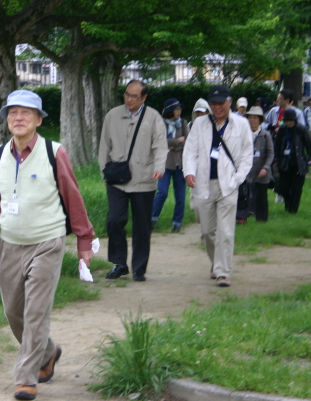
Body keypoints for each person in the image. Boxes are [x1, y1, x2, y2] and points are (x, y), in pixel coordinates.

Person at [0, 90, 95, 401]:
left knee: (36, 313)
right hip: (9, 245)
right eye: (13, 112)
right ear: (6, 119)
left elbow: (73, 197)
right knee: (14, 311)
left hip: (47, 242)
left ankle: (26, 378)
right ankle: (48, 352)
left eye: (26, 113)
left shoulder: (55, 153)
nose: (18, 118)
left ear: (39, 120)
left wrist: (84, 240)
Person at [183, 85, 253, 288]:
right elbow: (190, 151)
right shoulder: (200, 124)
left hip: (228, 185)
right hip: (203, 184)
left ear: (230, 102)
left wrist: (238, 178)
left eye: (221, 103)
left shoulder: (241, 124)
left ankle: (223, 272)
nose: (217, 107)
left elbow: (247, 155)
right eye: (213, 103)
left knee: (226, 231)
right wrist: (189, 172)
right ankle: (216, 261)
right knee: (207, 231)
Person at [98, 80, 166, 282]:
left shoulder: (153, 117)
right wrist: (104, 172)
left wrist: (159, 167)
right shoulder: (112, 115)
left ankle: (139, 268)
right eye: (127, 94)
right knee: (114, 220)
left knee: (142, 226)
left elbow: (160, 146)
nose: (129, 99)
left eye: (134, 96)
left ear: (144, 98)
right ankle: (119, 263)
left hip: (144, 179)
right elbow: (104, 147)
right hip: (117, 178)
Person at [151, 98, 188, 233]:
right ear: (170, 110)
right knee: (162, 192)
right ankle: (152, 218)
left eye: (180, 109)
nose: (179, 111)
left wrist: (172, 145)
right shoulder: (160, 123)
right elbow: (159, 141)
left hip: (180, 164)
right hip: (164, 164)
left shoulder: (183, 123)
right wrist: (177, 141)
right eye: (176, 109)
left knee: (181, 197)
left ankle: (177, 223)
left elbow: (187, 141)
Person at [274, 109, 311, 214]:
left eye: (291, 121)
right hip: (284, 162)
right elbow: (277, 145)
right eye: (287, 121)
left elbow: (309, 145)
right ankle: (288, 204)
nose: (289, 123)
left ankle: (293, 210)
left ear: (295, 120)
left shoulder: (301, 129)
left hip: (298, 163)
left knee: (297, 188)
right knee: (283, 187)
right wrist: (276, 158)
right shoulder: (282, 129)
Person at [239, 106, 274, 222]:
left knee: (261, 195)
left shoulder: (265, 135)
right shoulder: (243, 134)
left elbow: (270, 153)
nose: (252, 120)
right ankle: (243, 215)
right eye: (250, 117)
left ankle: (262, 218)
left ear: (260, 120)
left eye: (255, 118)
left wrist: (266, 167)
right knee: (245, 194)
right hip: (247, 170)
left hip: (261, 170)